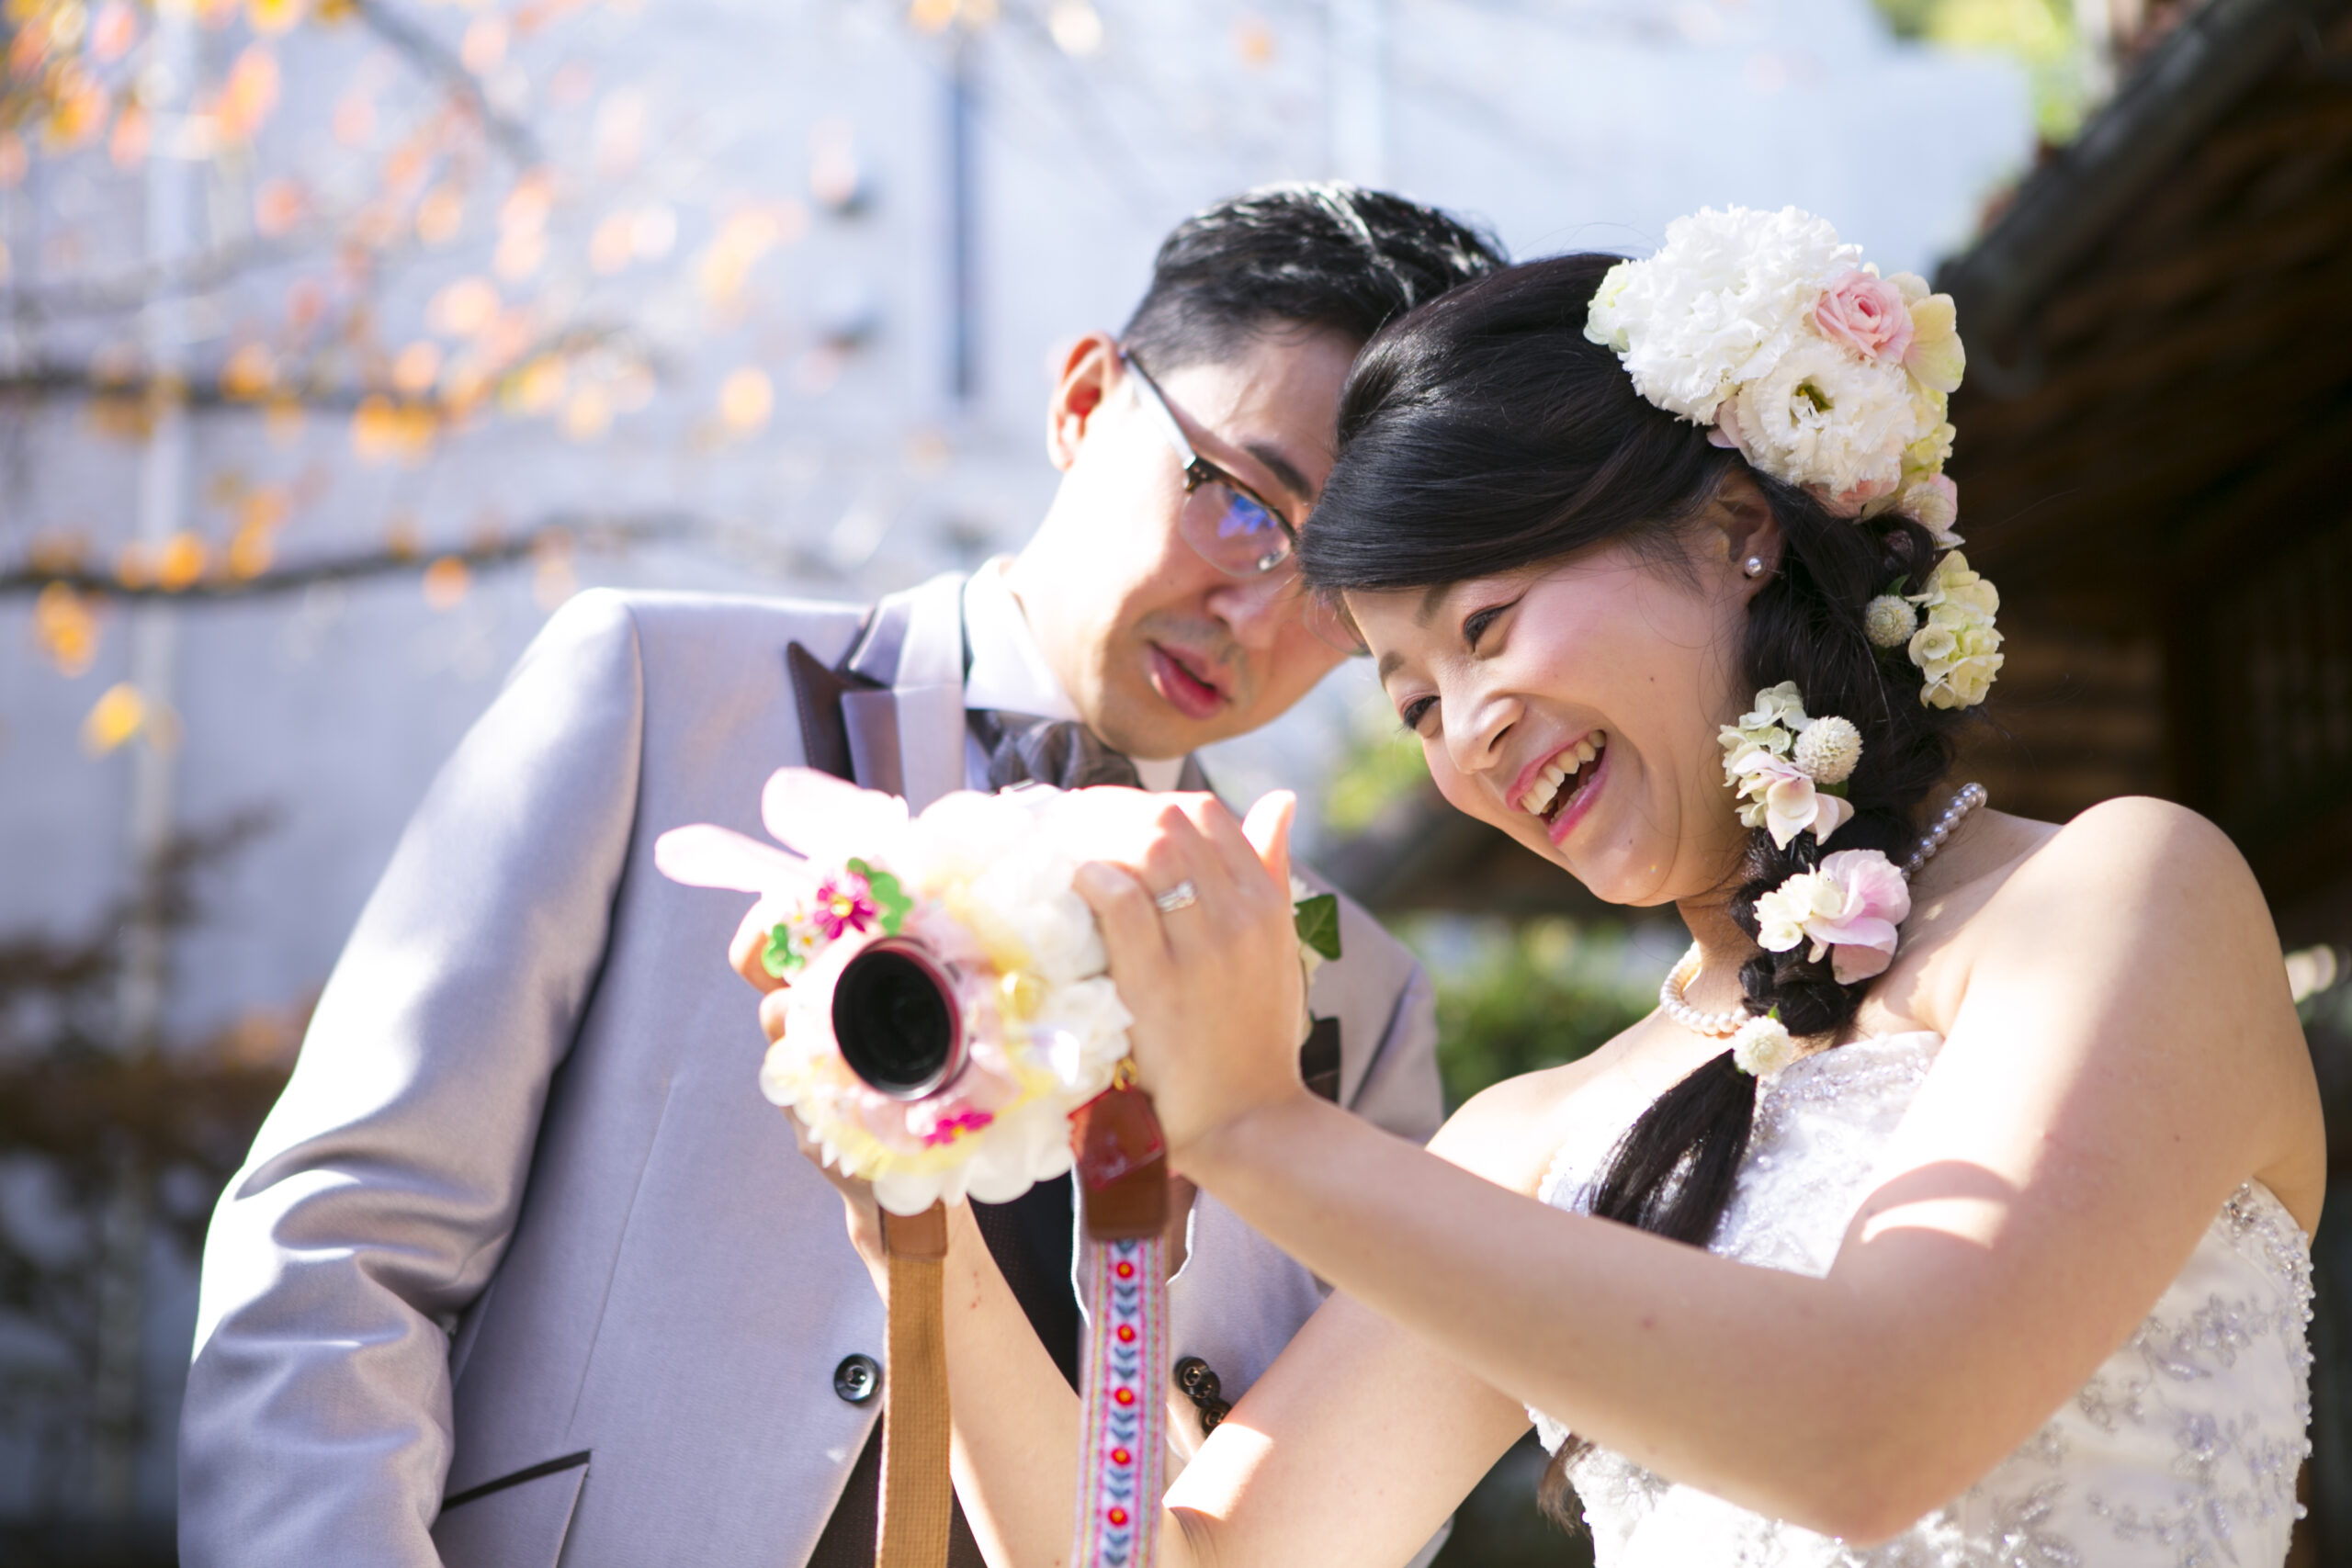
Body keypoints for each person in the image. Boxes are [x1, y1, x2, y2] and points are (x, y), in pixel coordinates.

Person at [820, 213, 2324, 1566]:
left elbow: (1873, 1427)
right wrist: (920, 1240)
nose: (1469, 734)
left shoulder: (2124, 897)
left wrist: (1259, 1128)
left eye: (1489, 624)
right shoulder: (1525, 1137)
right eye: (1414, 701)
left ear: (1736, 529)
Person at [177, 183, 1503, 1568]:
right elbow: (340, 1250)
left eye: (1337, 588)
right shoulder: (652, 696)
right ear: (1083, 401)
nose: (1258, 610)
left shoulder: (1355, 993)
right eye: (1237, 502)